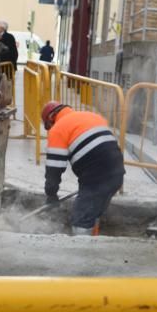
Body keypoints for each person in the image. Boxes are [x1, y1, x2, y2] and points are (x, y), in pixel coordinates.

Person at [41, 101, 125, 236]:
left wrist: (51, 194)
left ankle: (81, 254)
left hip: (96, 177)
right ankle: (94, 244)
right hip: (117, 173)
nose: (50, 129)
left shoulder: (58, 129)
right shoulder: (92, 116)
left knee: (81, 218)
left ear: (51, 118)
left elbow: (54, 169)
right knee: (93, 212)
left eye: (48, 126)